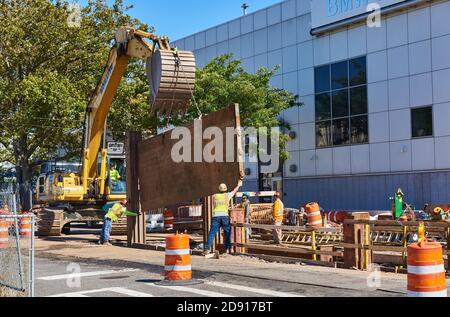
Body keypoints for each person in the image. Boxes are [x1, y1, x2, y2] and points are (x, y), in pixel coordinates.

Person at [203, 179, 243, 255]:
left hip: (216, 216)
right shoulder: (227, 195)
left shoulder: (215, 196)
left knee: (212, 233)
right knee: (227, 232)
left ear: (219, 189)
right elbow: (234, 191)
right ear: (226, 189)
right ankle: (227, 249)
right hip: (224, 216)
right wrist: (239, 184)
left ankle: (207, 249)